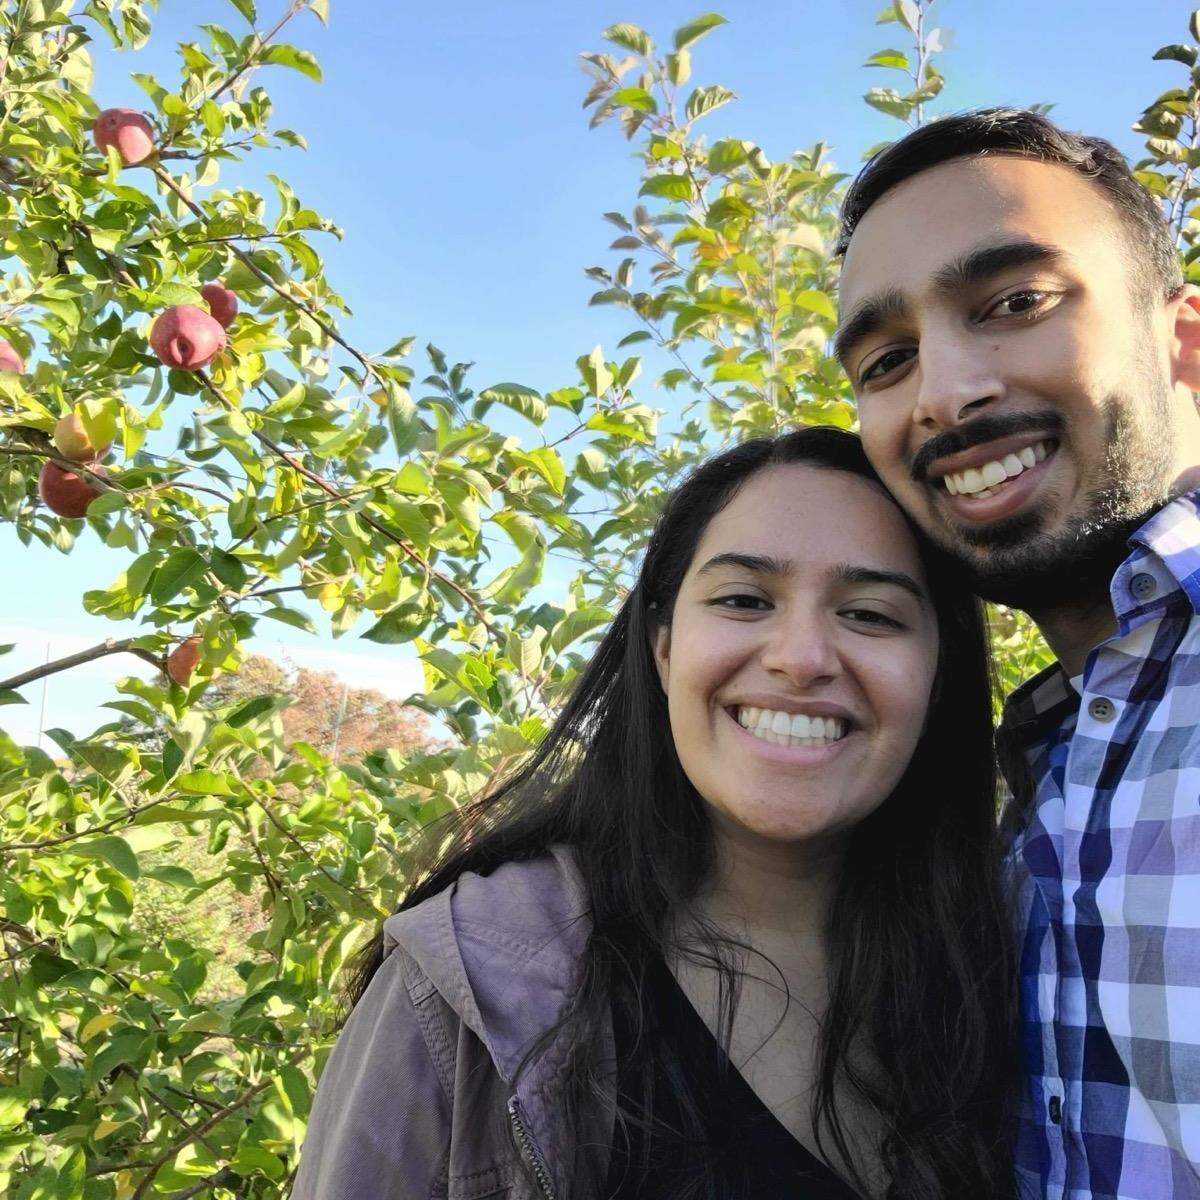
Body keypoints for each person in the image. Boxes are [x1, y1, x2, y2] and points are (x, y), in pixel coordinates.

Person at [292, 426, 1016, 1200]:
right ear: (664, 649)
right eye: (743, 599)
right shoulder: (469, 985)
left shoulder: (1010, 967)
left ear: (937, 676)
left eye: (871, 614)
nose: (801, 657)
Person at [834, 108, 1200, 1198]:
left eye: (1015, 303)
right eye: (888, 360)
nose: (943, 393)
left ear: (1185, 345)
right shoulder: (1025, 774)